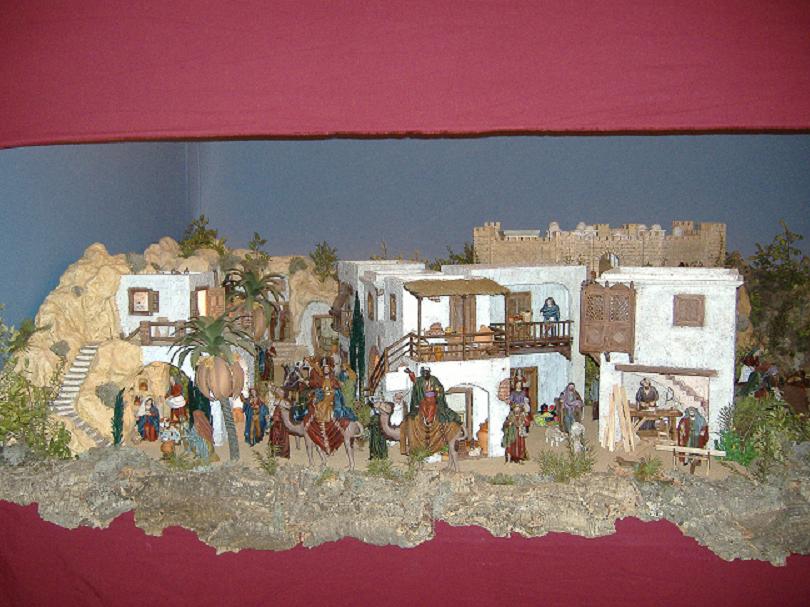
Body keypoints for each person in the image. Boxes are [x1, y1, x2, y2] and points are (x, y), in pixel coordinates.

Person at [267, 389, 290, 458]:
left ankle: (282, 452)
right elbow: (273, 405)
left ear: (284, 394)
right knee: (274, 436)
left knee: (282, 437)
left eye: (281, 392)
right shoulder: (277, 400)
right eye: (279, 392)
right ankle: (274, 452)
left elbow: (289, 407)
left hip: (281, 421)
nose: (280, 393)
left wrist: (283, 404)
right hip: (275, 420)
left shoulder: (286, 401)